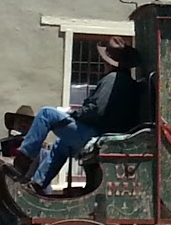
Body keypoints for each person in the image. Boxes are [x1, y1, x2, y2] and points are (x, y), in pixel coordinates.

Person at [10, 40, 144, 194]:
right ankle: (37, 184)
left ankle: (23, 160)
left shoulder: (113, 79)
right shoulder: (123, 80)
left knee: (46, 114)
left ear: (108, 62)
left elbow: (96, 111)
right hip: (106, 131)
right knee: (61, 145)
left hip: (100, 134)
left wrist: (72, 114)